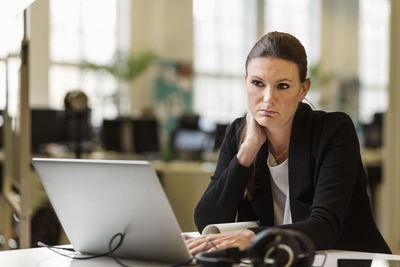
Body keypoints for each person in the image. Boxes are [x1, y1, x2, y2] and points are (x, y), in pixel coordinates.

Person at [185, 31, 391, 255]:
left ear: (303, 89)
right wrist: (247, 151)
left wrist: (253, 237)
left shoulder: (334, 130)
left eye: (282, 86)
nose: (268, 98)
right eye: (257, 83)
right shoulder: (238, 133)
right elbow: (207, 221)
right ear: (246, 82)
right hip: (279, 260)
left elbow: (325, 226)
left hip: (345, 259)